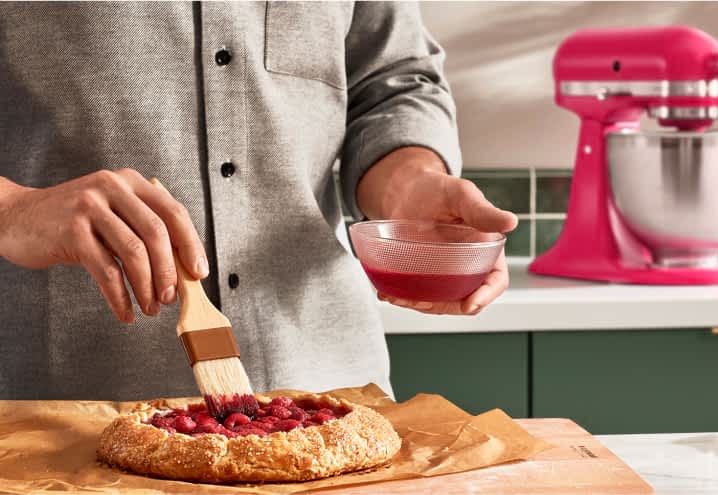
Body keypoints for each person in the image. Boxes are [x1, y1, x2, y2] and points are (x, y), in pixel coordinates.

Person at [0, 2, 517, 400]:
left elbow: (390, 82)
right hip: (54, 417)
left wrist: (409, 184)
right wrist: (13, 210)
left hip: (330, 396)